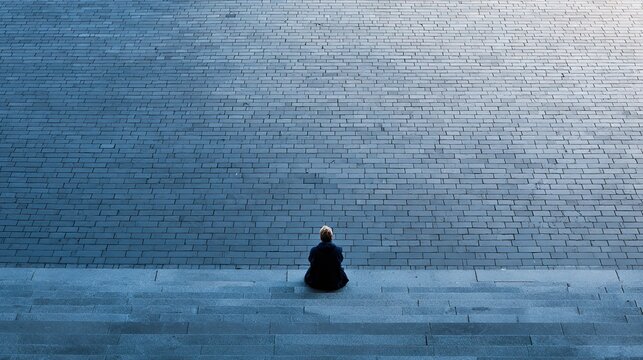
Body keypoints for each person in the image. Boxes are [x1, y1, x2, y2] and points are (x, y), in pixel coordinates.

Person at [304, 225, 349, 291]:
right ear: (331, 237)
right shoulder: (338, 250)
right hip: (334, 282)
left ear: (321, 237)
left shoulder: (314, 250)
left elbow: (310, 260)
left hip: (317, 281)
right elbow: (340, 260)